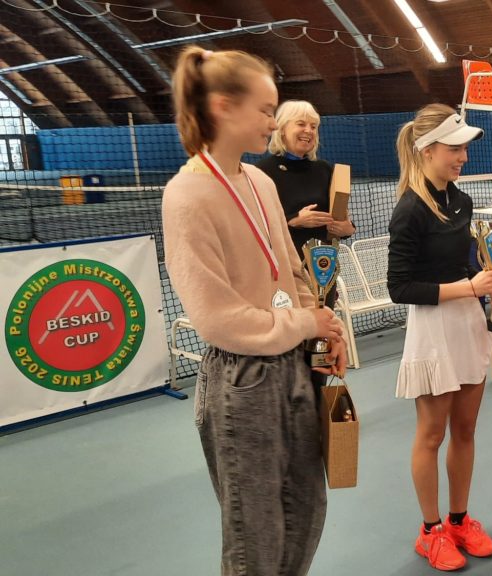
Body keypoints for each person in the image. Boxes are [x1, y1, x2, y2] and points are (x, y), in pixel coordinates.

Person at [162, 46, 346, 576]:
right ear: (223, 107)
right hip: (241, 382)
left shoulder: (260, 182)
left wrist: (322, 332)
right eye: (266, 110)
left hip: (294, 365)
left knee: (305, 514)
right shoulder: (186, 195)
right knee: (256, 540)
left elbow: (292, 272)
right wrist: (303, 322)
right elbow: (218, 319)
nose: (273, 121)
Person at [387, 103, 492, 572]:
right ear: (427, 150)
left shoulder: (462, 201)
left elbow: (463, 263)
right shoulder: (409, 210)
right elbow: (400, 289)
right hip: (432, 329)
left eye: (463, 148)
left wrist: (488, 280)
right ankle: (430, 531)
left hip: (467, 323)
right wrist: (468, 288)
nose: (463, 157)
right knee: (432, 434)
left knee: (466, 429)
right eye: (454, 149)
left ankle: (458, 521)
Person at [256, 100, 356, 387]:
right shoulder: (262, 173)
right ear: (282, 128)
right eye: (301, 124)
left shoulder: (324, 170)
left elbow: (342, 222)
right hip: (284, 279)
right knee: (289, 355)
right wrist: (293, 221)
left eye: (314, 126)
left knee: (319, 356)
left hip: (322, 278)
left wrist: (346, 228)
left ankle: (317, 404)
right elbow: (255, 229)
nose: (308, 131)